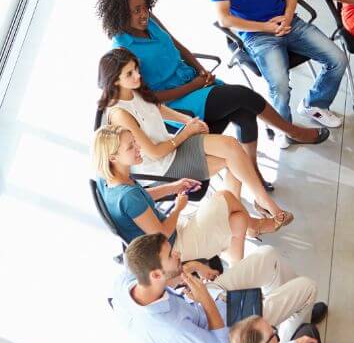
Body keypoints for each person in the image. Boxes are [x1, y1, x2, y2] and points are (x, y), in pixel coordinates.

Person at [97, 0, 328, 176]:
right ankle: (291, 130)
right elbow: (150, 97)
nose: (143, 14)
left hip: (193, 82)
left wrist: (200, 71)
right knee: (243, 95)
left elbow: (177, 45)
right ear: (121, 16)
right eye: (135, 11)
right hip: (175, 102)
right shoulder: (122, 49)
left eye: (144, 7)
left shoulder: (151, 21)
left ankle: (251, 171)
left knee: (244, 112)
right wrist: (194, 85)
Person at [98, 49, 293, 235]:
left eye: (136, 69)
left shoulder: (133, 89)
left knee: (232, 147)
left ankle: (261, 204)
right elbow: (155, 153)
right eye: (129, 73)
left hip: (171, 145)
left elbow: (157, 108)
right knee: (232, 162)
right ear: (115, 81)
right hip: (161, 167)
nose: (138, 76)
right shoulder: (120, 114)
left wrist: (187, 121)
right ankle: (250, 223)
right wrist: (186, 132)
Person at [210, 0, 347, 143]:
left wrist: (287, 15)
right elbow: (224, 19)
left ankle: (314, 104)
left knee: (338, 58)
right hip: (258, 35)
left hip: (289, 22)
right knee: (280, 85)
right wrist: (267, 27)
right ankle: (285, 128)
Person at [112, 233, 327, 343]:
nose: (177, 253)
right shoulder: (171, 328)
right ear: (156, 275)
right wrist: (204, 299)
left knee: (268, 255)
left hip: (206, 301)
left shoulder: (129, 279)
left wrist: (192, 269)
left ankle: (290, 313)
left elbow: (163, 279)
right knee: (307, 287)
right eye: (171, 255)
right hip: (226, 328)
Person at [94, 124, 262, 265]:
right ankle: (256, 227)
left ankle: (236, 273)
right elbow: (162, 236)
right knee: (225, 196)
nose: (138, 147)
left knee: (238, 221)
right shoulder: (127, 196)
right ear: (113, 158)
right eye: (130, 147)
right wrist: (178, 208)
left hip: (168, 232)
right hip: (172, 248)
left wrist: (174, 187)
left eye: (134, 141)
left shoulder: (108, 179)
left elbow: (140, 199)